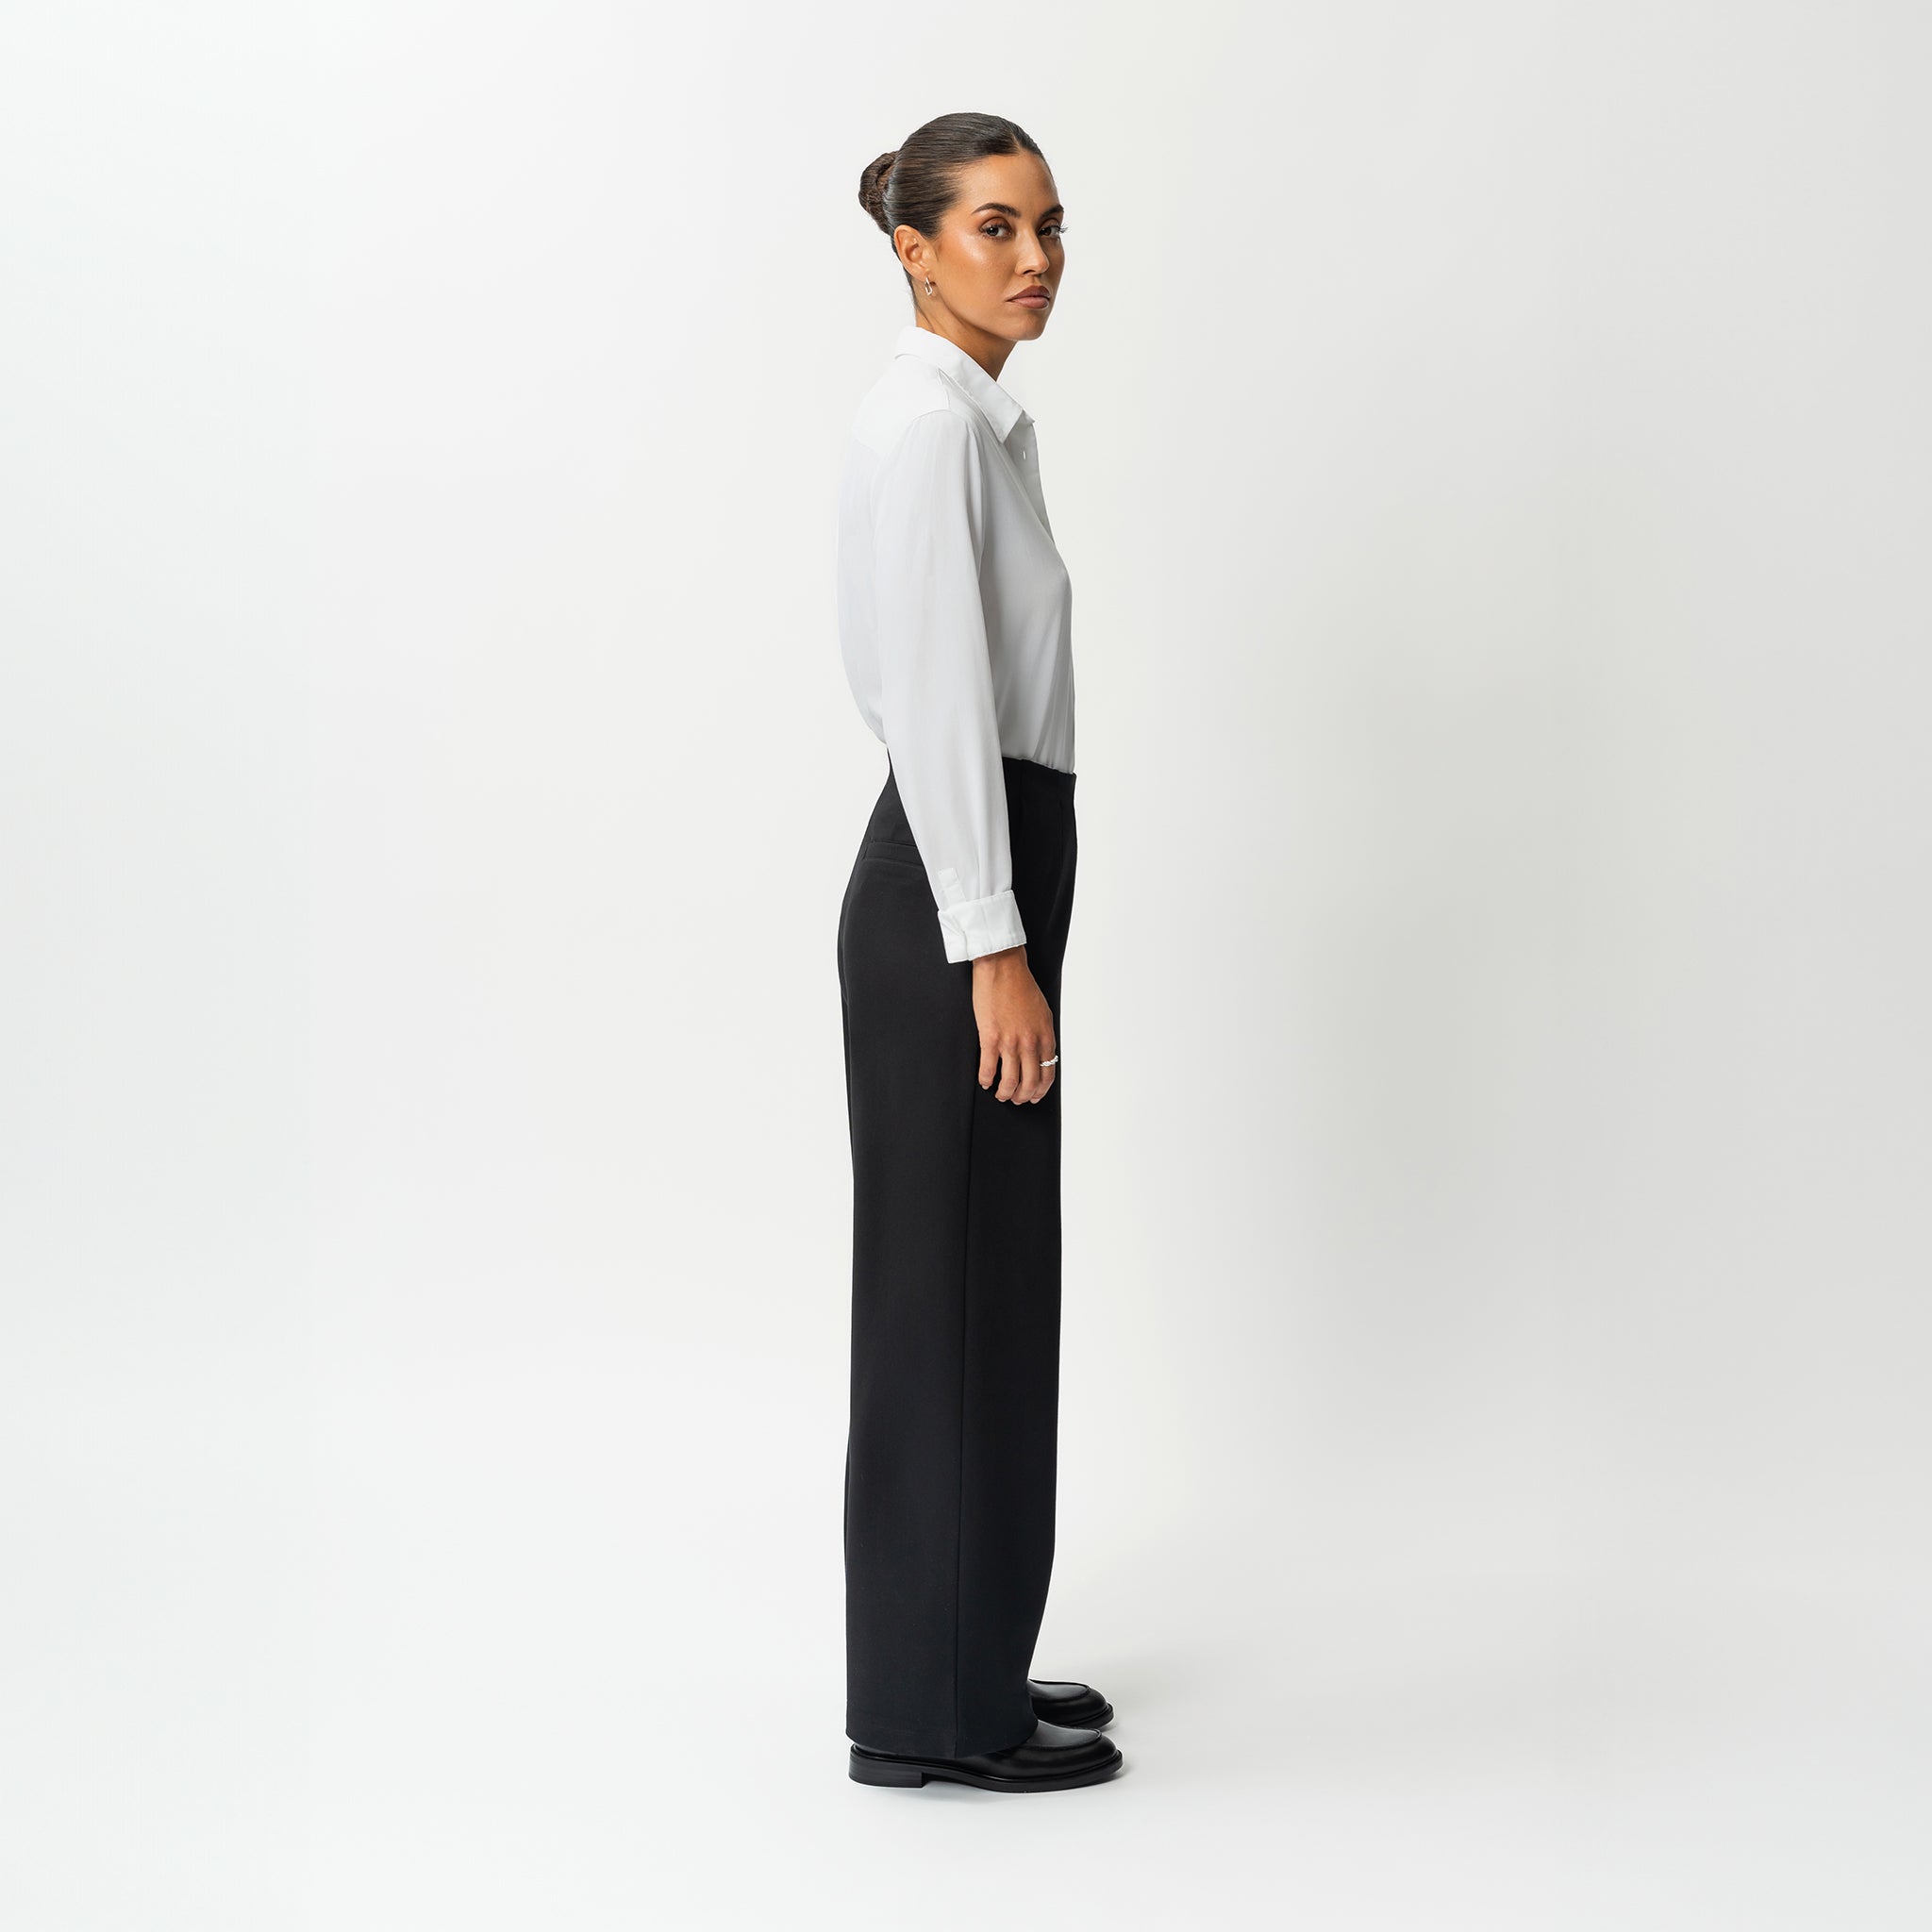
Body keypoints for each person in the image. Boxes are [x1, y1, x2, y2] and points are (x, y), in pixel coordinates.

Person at [834, 111, 1123, 1795]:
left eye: (1050, 226)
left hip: (981, 869)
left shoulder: (972, 424)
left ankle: (969, 1656)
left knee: (990, 1282)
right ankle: (932, 1714)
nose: (1035, 259)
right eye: (995, 227)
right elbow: (934, 700)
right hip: (963, 885)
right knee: (948, 1297)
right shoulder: (933, 426)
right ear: (914, 246)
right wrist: (990, 943)